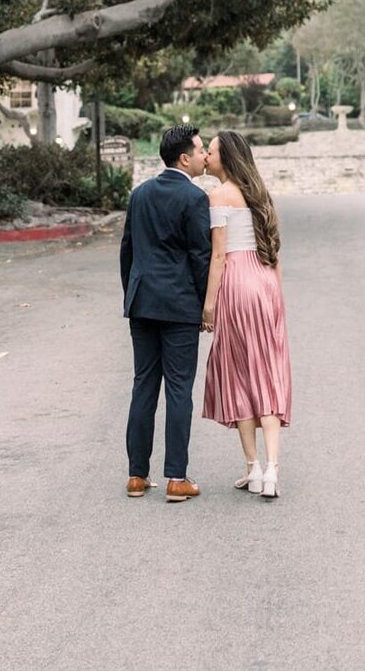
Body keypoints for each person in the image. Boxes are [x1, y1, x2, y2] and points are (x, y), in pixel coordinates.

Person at [120, 124, 211, 502]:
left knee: (144, 385)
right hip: (179, 306)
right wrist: (205, 305)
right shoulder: (194, 198)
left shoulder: (139, 194)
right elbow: (200, 257)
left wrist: (133, 293)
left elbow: (127, 250)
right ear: (184, 158)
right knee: (178, 389)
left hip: (142, 302)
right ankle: (176, 478)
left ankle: (137, 476)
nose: (206, 155)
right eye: (201, 149)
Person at [201, 130, 292, 500]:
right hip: (266, 282)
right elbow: (274, 250)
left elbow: (219, 256)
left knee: (239, 374)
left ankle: (252, 468)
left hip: (237, 283)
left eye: (211, 151)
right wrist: (277, 298)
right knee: (267, 373)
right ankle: (272, 470)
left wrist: (208, 306)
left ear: (228, 157)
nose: (206, 156)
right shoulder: (260, 196)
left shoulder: (218, 195)